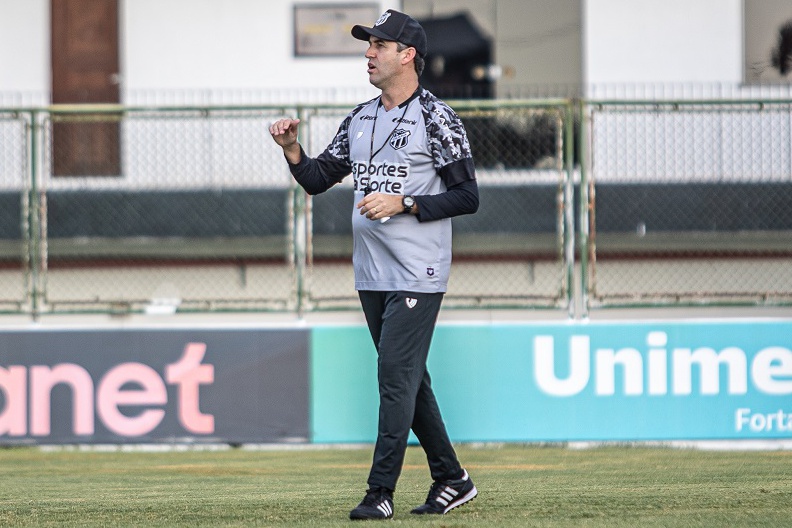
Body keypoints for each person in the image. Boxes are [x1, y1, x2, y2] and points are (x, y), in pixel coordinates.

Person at [269, 9, 479, 521]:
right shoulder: (361, 118)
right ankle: (453, 480)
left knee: (393, 379)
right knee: (410, 383)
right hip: (372, 274)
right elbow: (319, 179)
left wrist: (404, 202)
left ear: (407, 56)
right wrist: (293, 149)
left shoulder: (438, 117)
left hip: (418, 273)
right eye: (369, 45)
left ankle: (378, 492)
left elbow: (467, 195)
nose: (369, 53)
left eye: (379, 46)